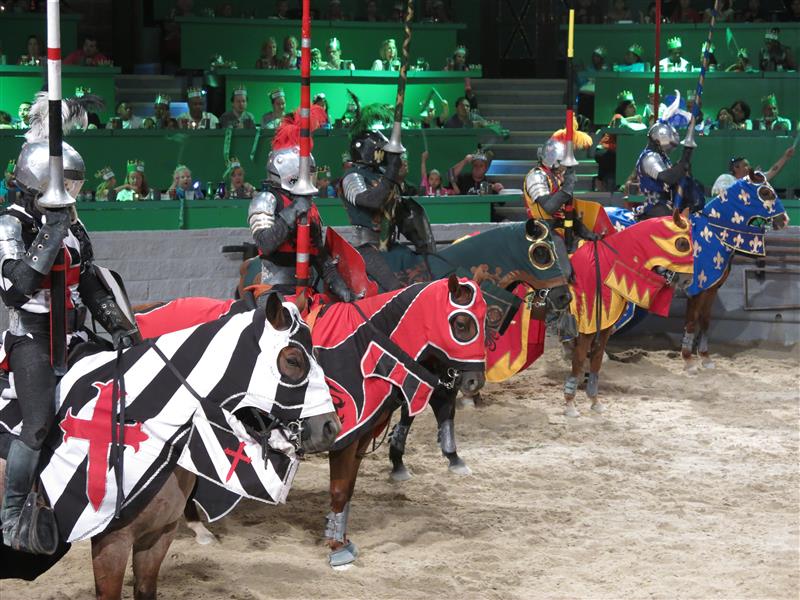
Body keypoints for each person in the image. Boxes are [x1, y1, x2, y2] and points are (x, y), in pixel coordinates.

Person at [0, 114, 140, 553]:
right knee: (38, 423)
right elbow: (16, 288)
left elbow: (89, 281)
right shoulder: (10, 225)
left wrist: (117, 325)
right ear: (36, 183)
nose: (71, 194)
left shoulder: (74, 225)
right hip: (33, 338)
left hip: (73, 337)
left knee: (125, 387)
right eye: (66, 184)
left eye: (74, 185)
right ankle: (12, 514)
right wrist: (50, 232)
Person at [248, 106, 354, 300]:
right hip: (274, 291)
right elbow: (266, 243)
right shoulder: (266, 200)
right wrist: (294, 210)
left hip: (306, 291)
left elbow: (318, 255)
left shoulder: (310, 207)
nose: (311, 177)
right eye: (308, 172)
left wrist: (339, 286)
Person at [339, 103, 413, 292]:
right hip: (365, 246)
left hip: (390, 244)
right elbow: (371, 201)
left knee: (419, 274)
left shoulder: (379, 175)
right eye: (380, 149)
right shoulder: (352, 176)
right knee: (394, 287)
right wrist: (391, 173)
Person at [524, 131, 599, 278]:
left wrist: (586, 232)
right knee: (564, 271)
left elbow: (565, 212)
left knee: (588, 251)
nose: (566, 168)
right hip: (542, 229)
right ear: (554, 161)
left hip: (560, 226)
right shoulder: (536, 176)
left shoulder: (556, 177)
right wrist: (567, 188)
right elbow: (549, 207)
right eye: (563, 164)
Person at [635, 112, 693, 218]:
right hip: (655, 205)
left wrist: (685, 159)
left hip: (666, 202)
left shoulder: (662, 157)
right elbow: (668, 177)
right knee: (669, 221)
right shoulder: (650, 157)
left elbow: (676, 174)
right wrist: (684, 159)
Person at [711, 147, 795, 197]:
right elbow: (721, 194)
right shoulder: (726, 178)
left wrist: (786, 156)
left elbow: (772, 171)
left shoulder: (751, 180)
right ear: (736, 168)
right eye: (745, 165)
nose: (749, 168)